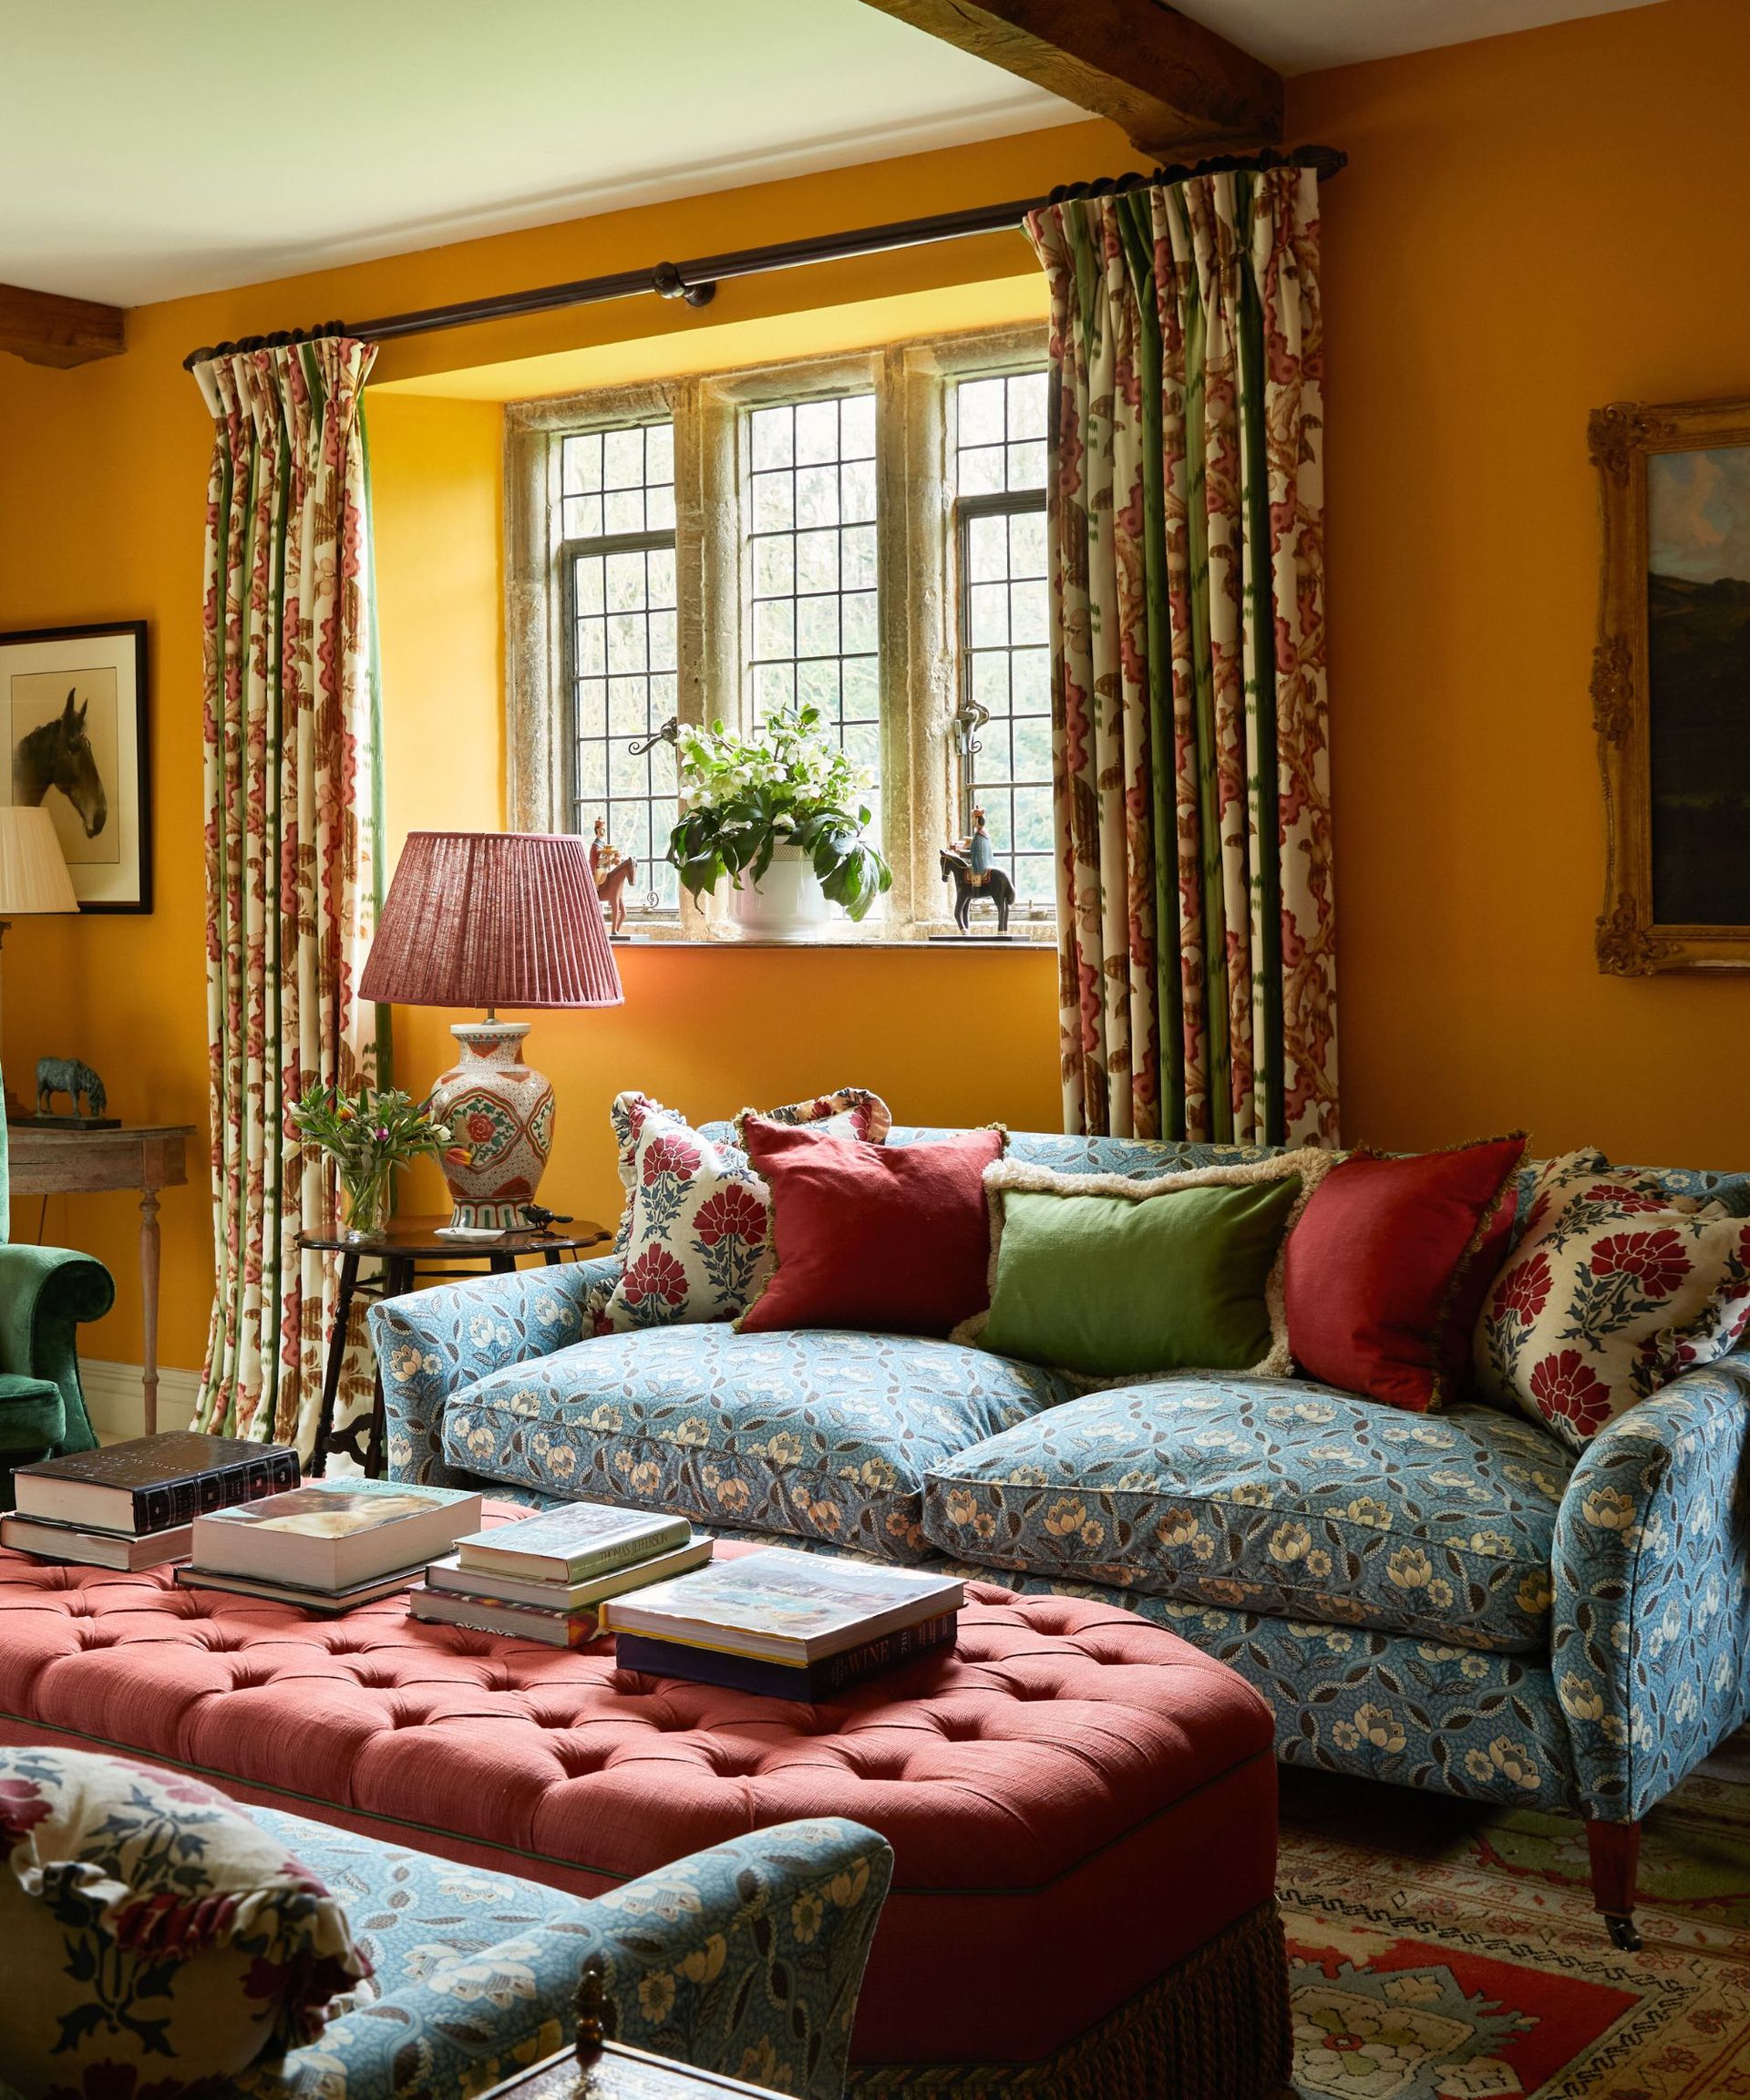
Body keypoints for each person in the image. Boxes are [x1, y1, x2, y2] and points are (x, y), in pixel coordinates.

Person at [954, 806, 994, 888]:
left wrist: (960, 853)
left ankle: (976, 892)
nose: (972, 820)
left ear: (977, 820)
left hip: (980, 867)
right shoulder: (984, 833)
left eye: (973, 818)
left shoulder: (978, 836)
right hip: (988, 864)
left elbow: (975, 853)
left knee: (973, 879)